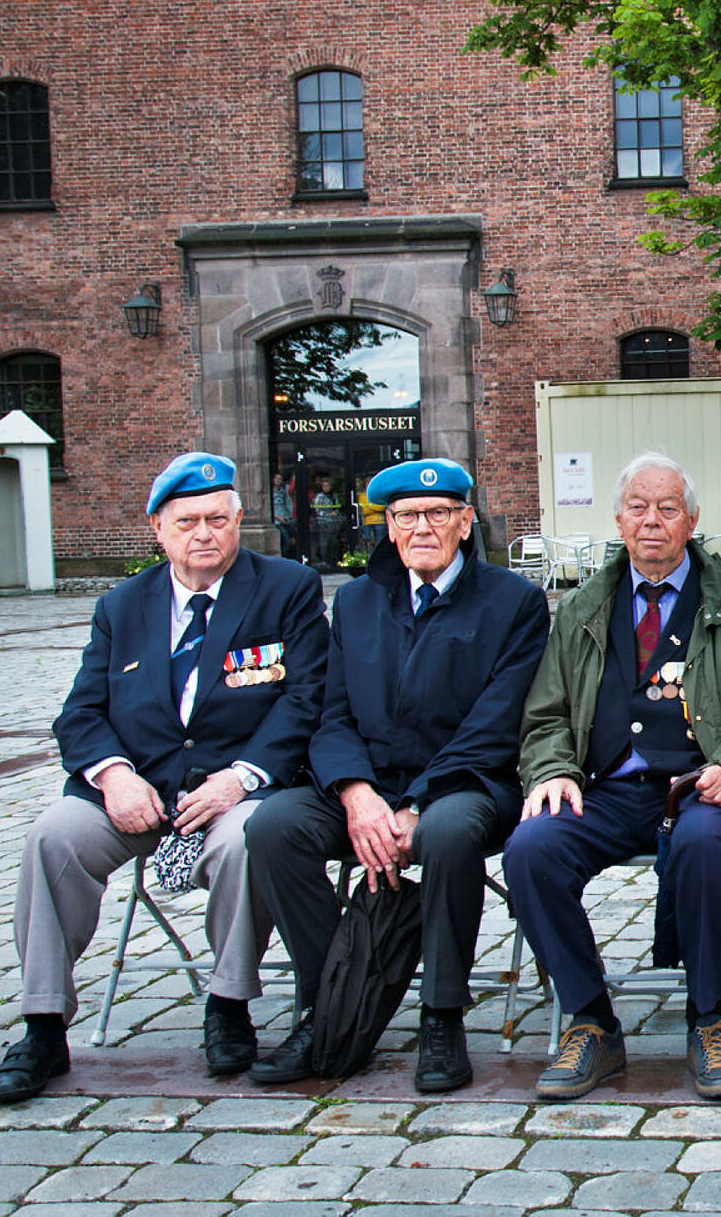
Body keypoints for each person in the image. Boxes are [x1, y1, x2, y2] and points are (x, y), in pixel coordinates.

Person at [0, 453, 326, 1103]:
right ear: (158, 528)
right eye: (187, 521)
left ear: (237, 522)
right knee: (53, 835)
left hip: (236, 792)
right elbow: (80, 713)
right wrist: (113, 775)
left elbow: (306, 699)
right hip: (135, 793)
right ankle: (42, 1025)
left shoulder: (285, 588)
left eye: (217, 519)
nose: (204, 533)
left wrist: (242, 778)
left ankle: (228, 1003)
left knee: (249, 839)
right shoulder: (123, 605)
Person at [244, 458, 549, 1093]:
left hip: (465, 784)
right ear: (388, 530)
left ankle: (442, 1014)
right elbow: (330, 715)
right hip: (365, 784)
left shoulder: (513, 603)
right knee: (274, 826)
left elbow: (493, 725)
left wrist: (413, 804)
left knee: (446, 833)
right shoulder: (355, 601)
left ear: (466, 523)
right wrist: (356, 795)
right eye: (406, 516)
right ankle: (330, 1002)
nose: (422, 528)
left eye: (438, 514)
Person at [504, 451, 721, 1101]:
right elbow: (546, 711)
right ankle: (591, 1020)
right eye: (638, 507)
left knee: (703, 843)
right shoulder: (581, 608)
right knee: (529, 849)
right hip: (604, 789)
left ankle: (706, 1017)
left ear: (692, 521)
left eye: (667, 508)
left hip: (699, 788)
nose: (652, 521)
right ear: (618, 519)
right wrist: (551, 768)